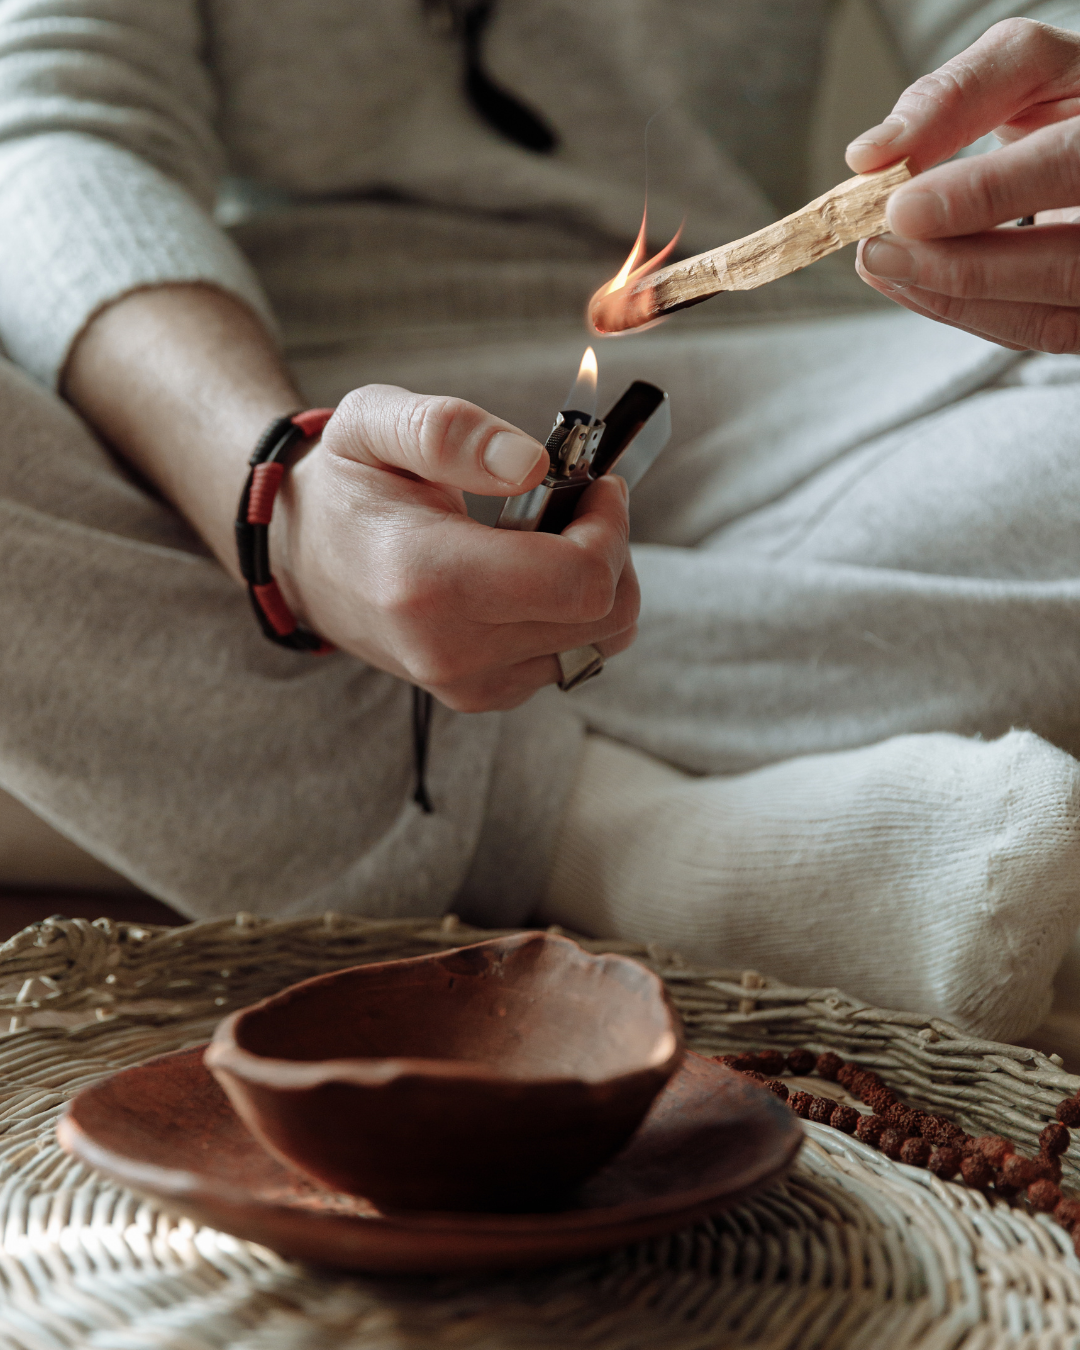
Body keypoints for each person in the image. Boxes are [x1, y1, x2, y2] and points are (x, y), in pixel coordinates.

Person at [1, 0, 1080, 1043]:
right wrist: (278, 504)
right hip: (237, 385)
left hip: (805, 391)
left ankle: (221, 766)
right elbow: (54, 135)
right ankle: (614, 836)